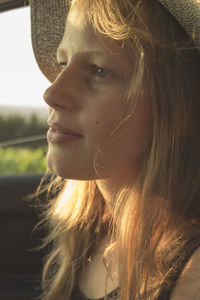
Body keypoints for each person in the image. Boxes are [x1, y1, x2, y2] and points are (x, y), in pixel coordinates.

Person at [30, 0, 200, 299]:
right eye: (62, 63)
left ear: (174, 108)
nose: (52, 92)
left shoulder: (191, 278)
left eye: (98, 70)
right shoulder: (85, 232)